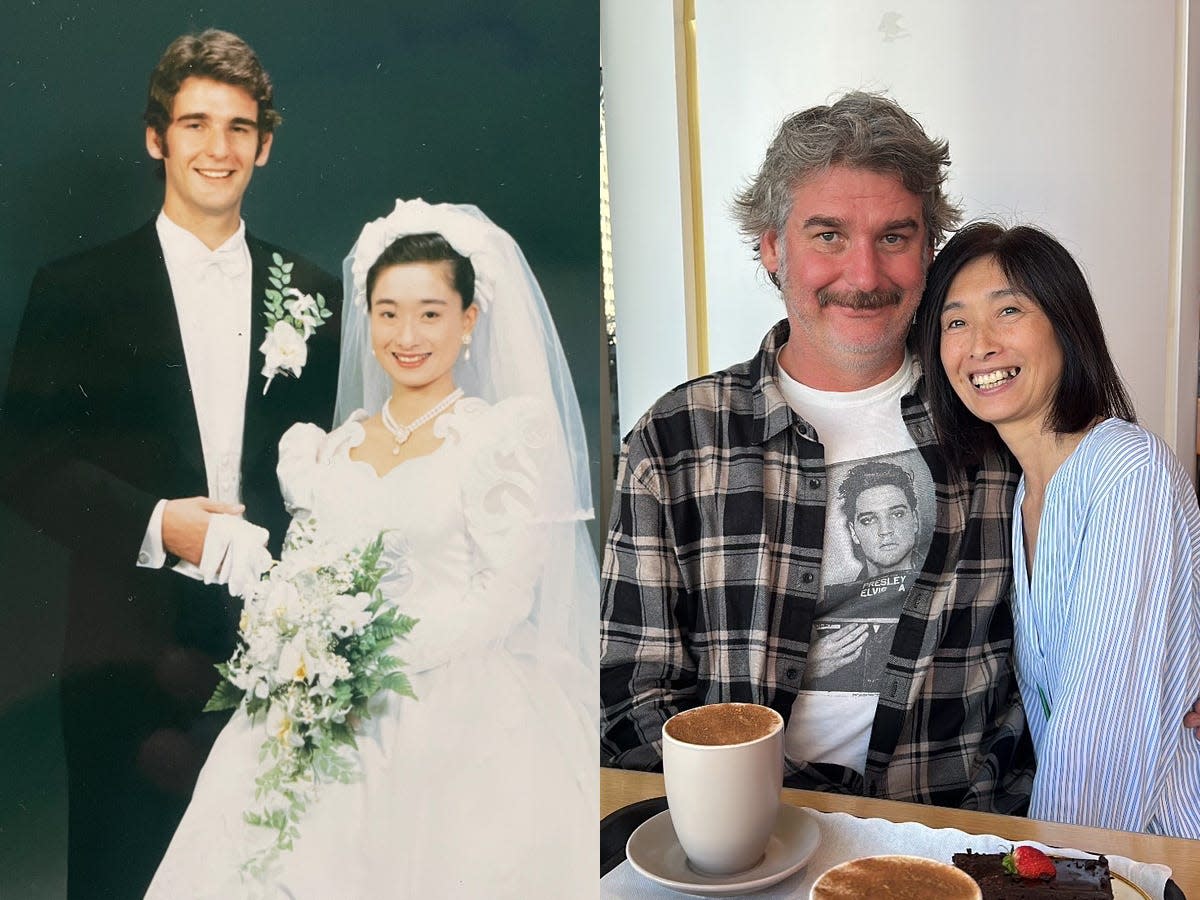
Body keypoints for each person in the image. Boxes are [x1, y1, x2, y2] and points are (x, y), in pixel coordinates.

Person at [146, 198, 599, 897]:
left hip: (455, 704)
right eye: (388, 312)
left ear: (468, 319)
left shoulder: (499, 440)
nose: (406, 334)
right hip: (318, 696)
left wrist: (368, 664)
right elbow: (305, 572)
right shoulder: (326, 449)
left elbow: (505, 598)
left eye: (429, 312)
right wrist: (300, 643)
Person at [600, 91, 1034, 811]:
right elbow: (627, 696)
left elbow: (1090, 611)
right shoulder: (674, 442)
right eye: (828, 236)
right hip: (743, 849)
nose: (864, 277)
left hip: (956, 842)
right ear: (772, 246)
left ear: (928, 252)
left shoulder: (999, 429)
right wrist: (762, 816)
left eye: (894, 237)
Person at [0, 30, 340, 896]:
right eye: (195, 124)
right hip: (126, 644)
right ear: (157, 139)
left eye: (238, 128)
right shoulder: (76, 287)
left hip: (278, 651)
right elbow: (28, 462)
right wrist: (160, 525)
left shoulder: (314, 294)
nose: (217, 149)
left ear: (264, 146)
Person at [915, 221, 1200, 838]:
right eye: (955, 322)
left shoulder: (1127, 469)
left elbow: (1102, 728)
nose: (979, 345)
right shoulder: (1020, 493)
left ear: (1066, 326)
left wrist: (1052, 875)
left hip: (1161, 839)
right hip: (1092, 846)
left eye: (1009, 310)